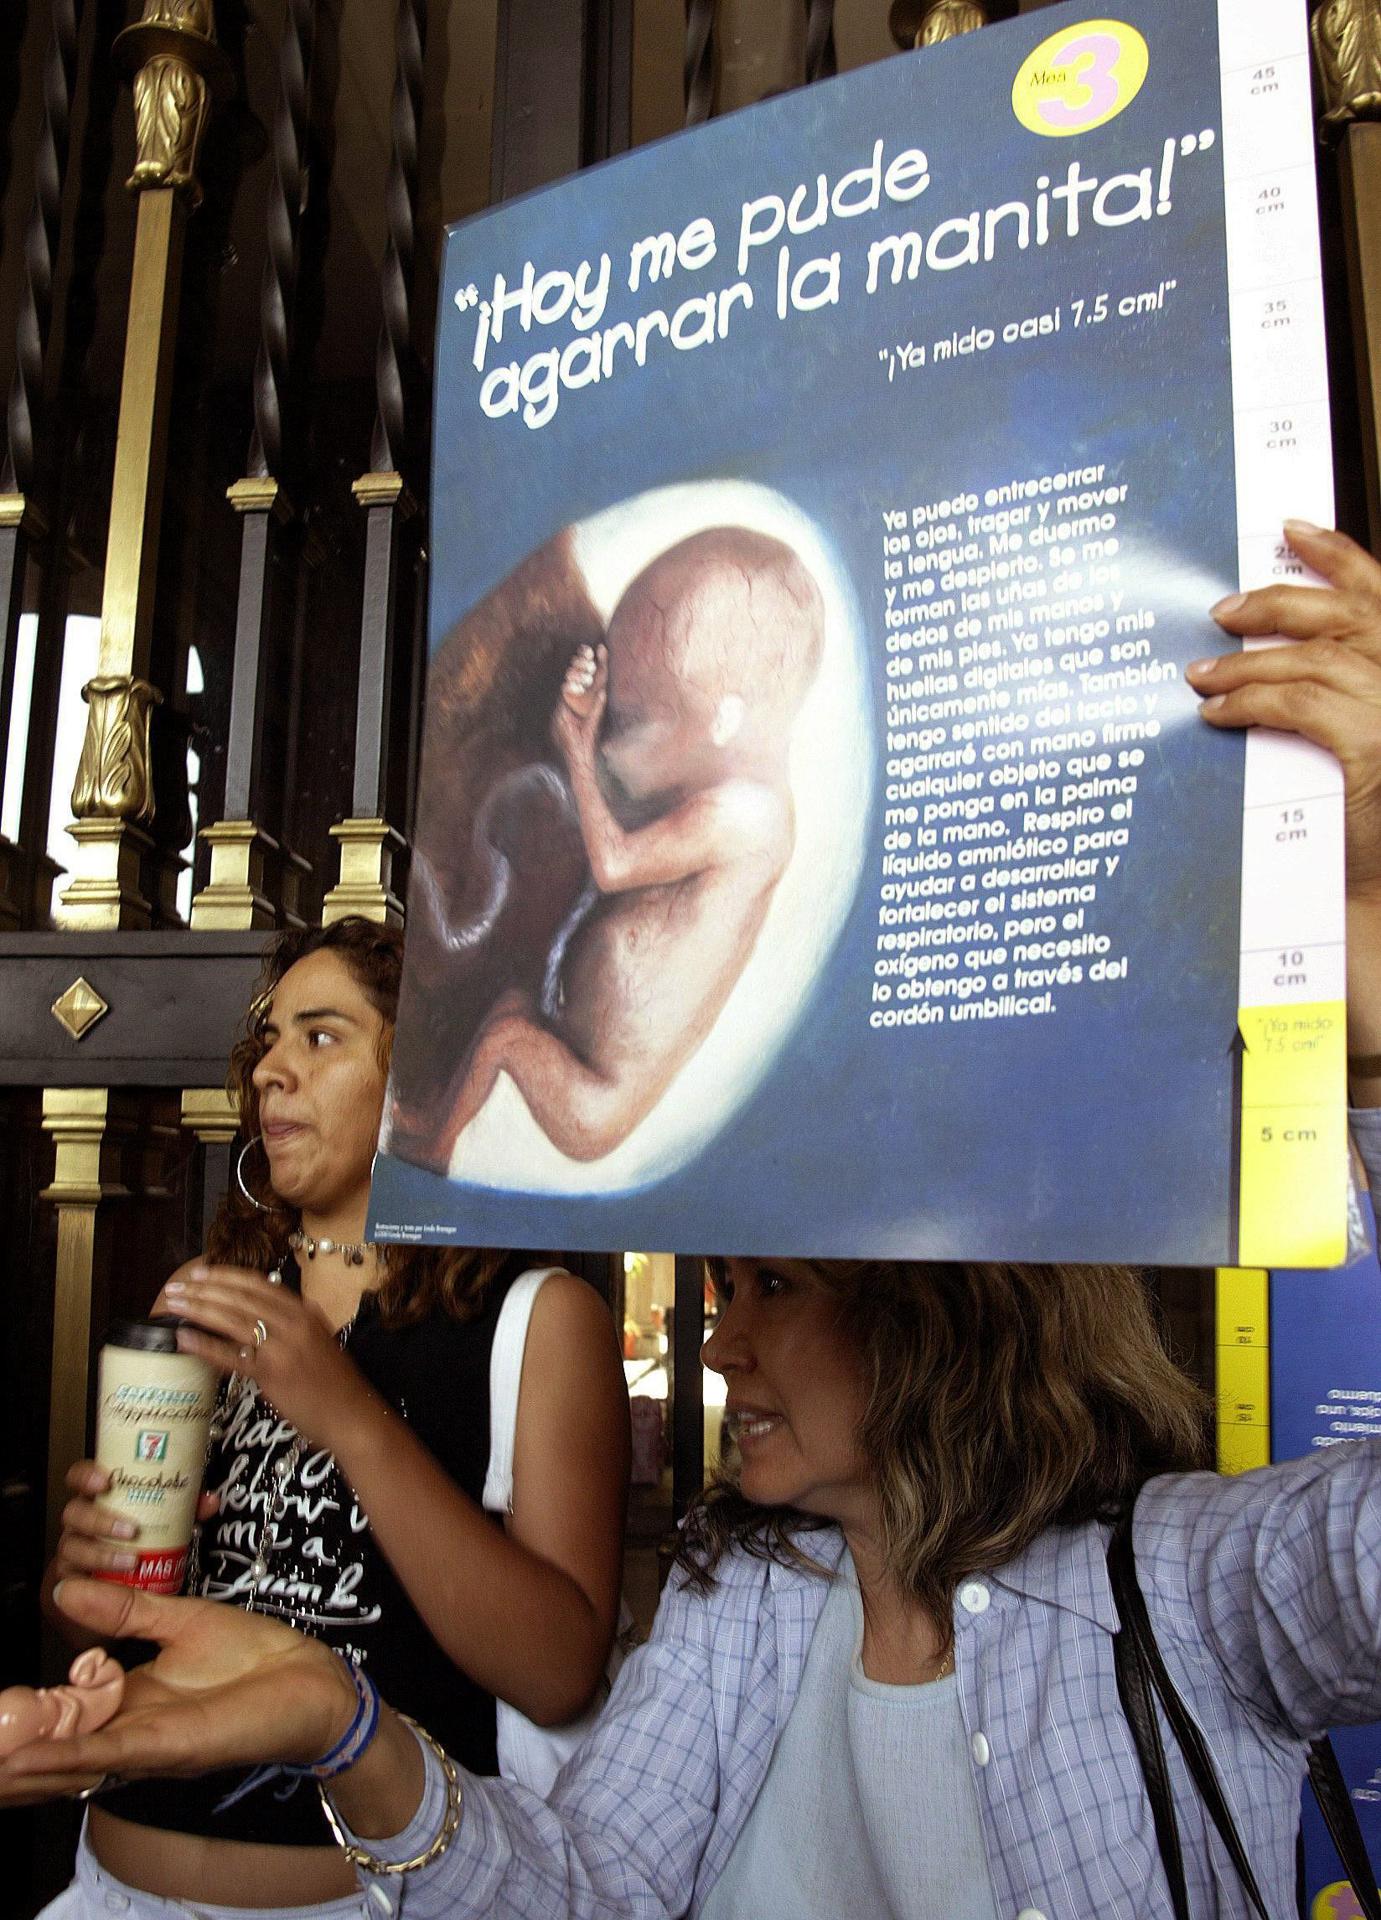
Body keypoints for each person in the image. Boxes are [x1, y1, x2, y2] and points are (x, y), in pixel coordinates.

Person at [5, 521, 1381, 1920]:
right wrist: (331, 1724)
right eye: (264, 1042)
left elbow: (550, 1664)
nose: (718, 1348)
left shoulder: (1190, 1590)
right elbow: (584, 1893)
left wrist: (1373, 1011)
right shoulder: (749, 1609)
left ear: (945, 1307)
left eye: (770, 1286)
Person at [34, 914, 630, 1917]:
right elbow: (112, 1639)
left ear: (425, 1075)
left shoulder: (538, 1322)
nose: (271, 1071)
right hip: (108, 1887)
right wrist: (83, 1571)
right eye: (268, 1042)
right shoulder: (206, 1299)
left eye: (320, 1037)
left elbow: (559, 1672)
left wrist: (348, 1417)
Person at [439, 526, 826, 1165]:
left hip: (594, 1099)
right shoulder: (721, 783)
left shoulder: (749, 816)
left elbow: (615, 862)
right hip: (577, 1042)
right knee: (503, 1009)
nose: (615, 740)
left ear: (725, 721)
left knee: (504, 1035)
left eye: (630, 720)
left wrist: (578, 744)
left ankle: (433, 1146)